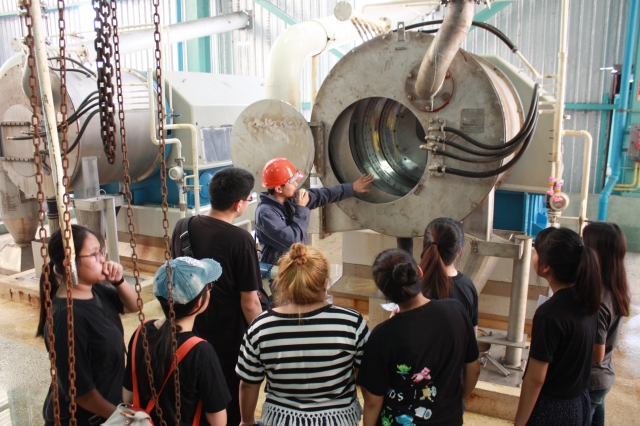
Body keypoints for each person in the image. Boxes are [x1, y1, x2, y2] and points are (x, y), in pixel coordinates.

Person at [236, 243, 370, 426]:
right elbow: (366, 377)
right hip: (338, 420)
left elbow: (249, 383)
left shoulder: (261, 326)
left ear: (282, 283)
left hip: (280, 420)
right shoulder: (351, 322)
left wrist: (247, 421)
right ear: (324, 283)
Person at [170, 167, 263, 426]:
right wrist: (260, 339)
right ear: (239, 204)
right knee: (225, 404)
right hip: (227, 342)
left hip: (188, 332)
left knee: (194, 400)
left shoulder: (183, 226)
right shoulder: (240, 239)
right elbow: (250, 301)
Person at [358, 248, 480, 426]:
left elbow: (373, 401)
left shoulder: (383, 335)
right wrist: (454, 400)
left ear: (384, 291)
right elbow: (474, 370)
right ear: (419, 272)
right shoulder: (456, 311)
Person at [37, 225, 138, 425]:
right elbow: (82, 393)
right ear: (69, 265)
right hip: (87, 417)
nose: (103, 259)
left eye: (102, 251)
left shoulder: (95, 290)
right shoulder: (66, 320)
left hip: (109, 409)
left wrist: (118, 281)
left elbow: (134, 305)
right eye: (94, 254)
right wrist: (125, 419)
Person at [123, 257, 231, 425]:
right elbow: (218, 421)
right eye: (208, 287)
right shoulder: (201, 352)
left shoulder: (141, 332)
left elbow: (128, 395)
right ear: (199, 302)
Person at [514, 227, 601, 426]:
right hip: (578, 402)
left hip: (553, 410)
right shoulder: (589, 299)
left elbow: (535, 380)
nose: (534, 257)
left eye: (536, 253)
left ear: (547, 267)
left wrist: (519, 423)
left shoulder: (549, 314)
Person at [255, 157, 374, 264]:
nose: (297, 184)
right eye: (292, 181)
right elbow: (294, 242)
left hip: (296, 265)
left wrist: (351, 188)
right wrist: (301, 209)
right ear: (278, 188)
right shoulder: (265, 214)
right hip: (279, 272)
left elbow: (323, 195)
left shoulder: (290, 199)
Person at [583, 222, 630, 426]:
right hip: (604, 376)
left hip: (591, 380)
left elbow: (596, 353)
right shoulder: (617, 286)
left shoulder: (599, 299)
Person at [419, 217, 478, 331]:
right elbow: (471, 339)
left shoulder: (412, 285)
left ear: (426, 246)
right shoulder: (467, 287)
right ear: (458, 252)